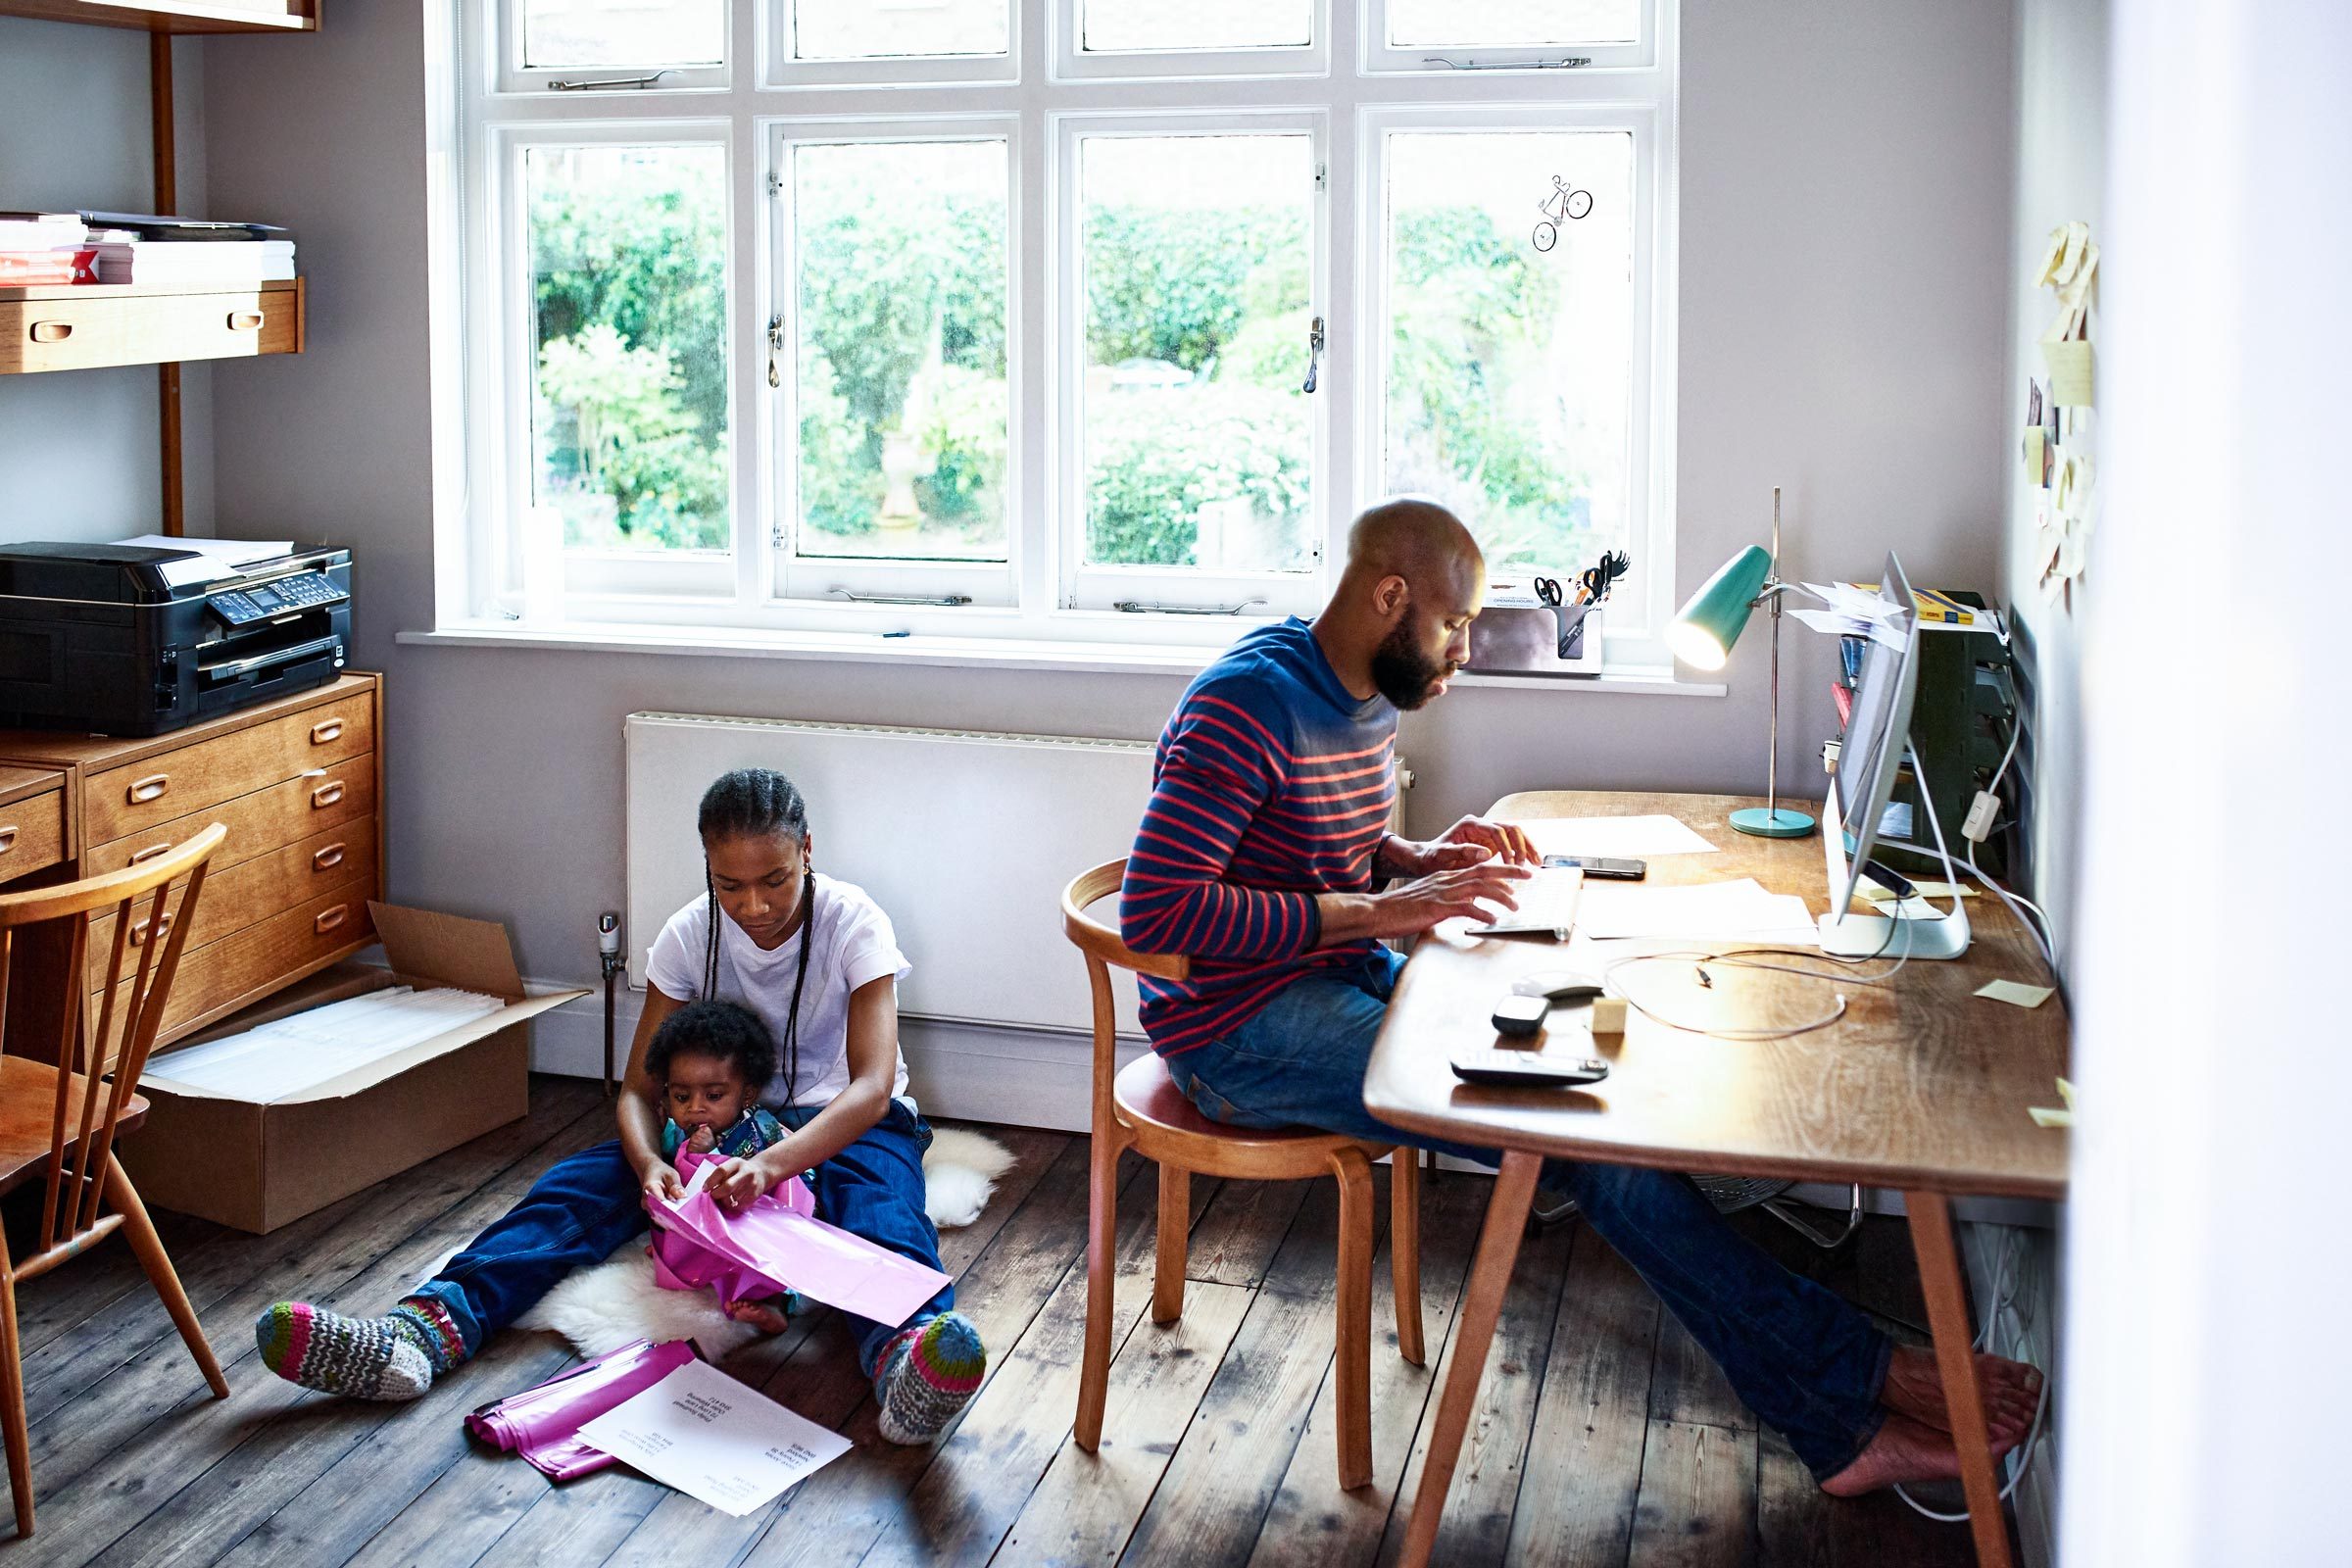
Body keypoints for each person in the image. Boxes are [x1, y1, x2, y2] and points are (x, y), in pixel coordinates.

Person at [1119, 497, 2041, 1495]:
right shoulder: (1243, 704)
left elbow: (1308, 849)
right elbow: (1158, 915)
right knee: (1584, 1144)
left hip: (1335, 977)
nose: (1465, 649)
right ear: (1390, 596)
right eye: (1455, 622)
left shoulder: (1364, 693)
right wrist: (1383, 913)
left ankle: (1850, 1394)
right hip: (1240, 1035)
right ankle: (1852, 1401)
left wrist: (1418, 857)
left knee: (1586, 1089)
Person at [256, 768, 985, 1446]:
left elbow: (870, 1085)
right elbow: (640, 1088)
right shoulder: (686, 935)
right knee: (575, 1190)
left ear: (808, 850)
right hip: (718, 1126)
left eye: (775, 880)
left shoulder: (856, 925)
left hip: (846, 1124)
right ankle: (421, 1332)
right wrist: (648, 1165)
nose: (754, 907)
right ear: (705, 867)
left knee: (881, 1210)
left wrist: (770, 1166)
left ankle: (906, 1362)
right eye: (730, 886)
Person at [644, 997, 796, 1335]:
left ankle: (775, 1305)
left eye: (713, 1096)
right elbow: (677, 1179)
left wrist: (710, 1154)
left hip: (761, 1212)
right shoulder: (676, 1129)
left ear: (746, 1095)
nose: (695, 1109)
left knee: (773, 1260)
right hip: (709, 1221)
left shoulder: (759, 1128)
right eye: (682, 1097)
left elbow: (784, 1178)